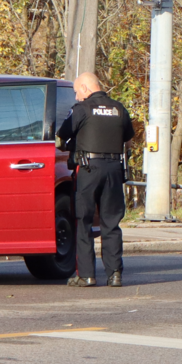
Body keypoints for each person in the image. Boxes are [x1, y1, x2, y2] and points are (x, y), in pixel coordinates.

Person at [56, 72, 135, 287]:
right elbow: (128, 139)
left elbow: (62, 134)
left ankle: (87, 275)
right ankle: (115, 274)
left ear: (85, 88)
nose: (76, 97)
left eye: (76, 92)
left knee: (84, 221)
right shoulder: (119, 108)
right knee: (111, 223)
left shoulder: (81, 109)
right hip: (113, 170)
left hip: (89, 169)